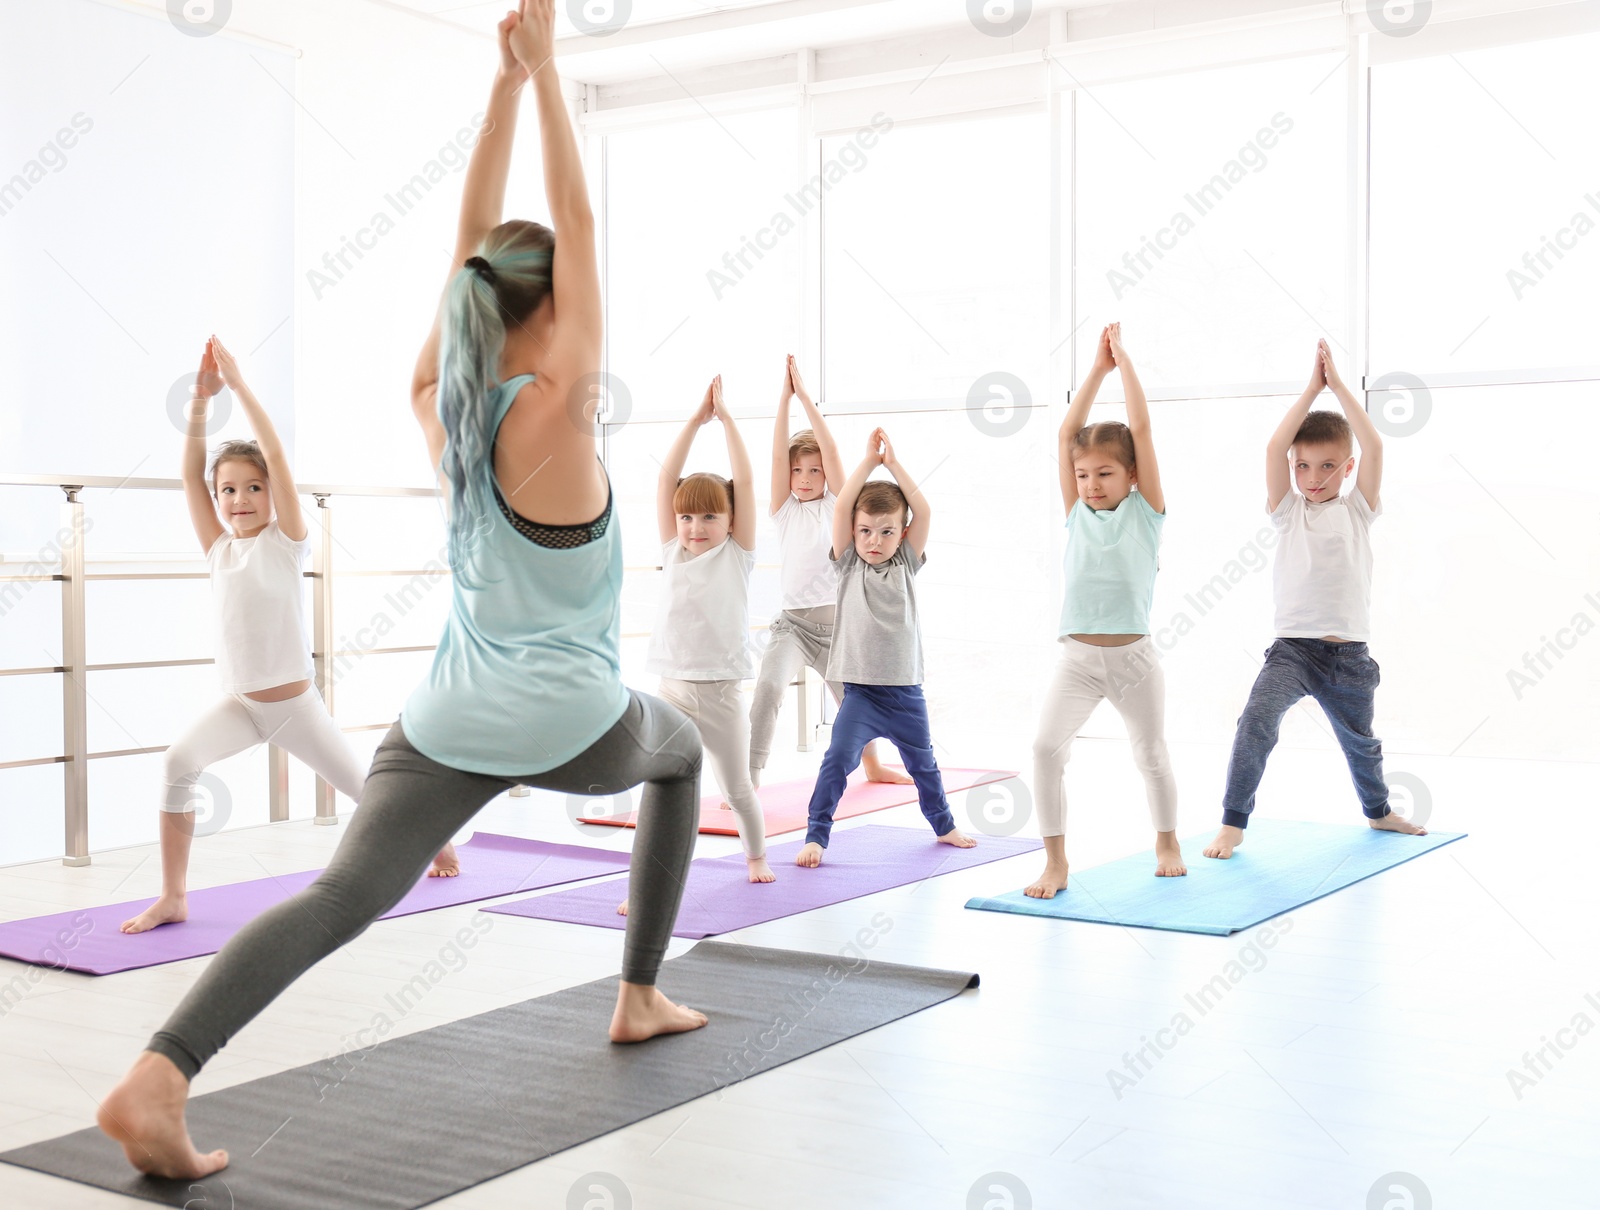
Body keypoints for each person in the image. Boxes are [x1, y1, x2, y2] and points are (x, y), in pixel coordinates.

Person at [98, 2, 705, 1179]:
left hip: (442, 724)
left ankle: (157, 1075)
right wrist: (549, 71)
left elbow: (475, 252)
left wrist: (505, 88)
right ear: (551, 314)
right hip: (577, 723)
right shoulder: (566, 410)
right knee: (678, 753)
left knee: (339, 894)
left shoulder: (445, 411)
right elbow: (570, 218)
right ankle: (637, 991)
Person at [121, 338, 459, 938]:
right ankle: (173, 895)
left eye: (253, 488)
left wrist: (241, 388)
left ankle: (434, 839)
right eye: (228, 490)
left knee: (366, 791)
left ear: (272, 493)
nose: (239, 499)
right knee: (178, 763)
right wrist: (201, 402)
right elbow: (186, 477)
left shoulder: (287, 542)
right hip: (242, 706)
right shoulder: (219, 548)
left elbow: (274, 456)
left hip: (296, 709)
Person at [1205, 339, 1426, 859]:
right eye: (1303, 466)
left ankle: (1378, 813)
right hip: (1293, 650)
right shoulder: (1288, 510)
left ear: (1346, 469)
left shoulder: (1358, 510)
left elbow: (1373, 446)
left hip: (1349, 655)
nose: (1312, 478)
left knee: (1361, 744)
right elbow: (1272, 449)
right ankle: (1233, 822)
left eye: (1326, 467)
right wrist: (1311, 390)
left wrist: (1340, 388)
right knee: (1255, 722)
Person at [1026, 322, 1180, 898]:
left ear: (1132, 475)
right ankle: (1056, 863)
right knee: (1045, 749)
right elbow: (1068, 431)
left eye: (1105, 474)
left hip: (1134, 658)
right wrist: (1095, 371)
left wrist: (1125, 363)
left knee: (1150, 752)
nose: (1090, 484)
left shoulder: (1147, 513)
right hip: (1078, 659)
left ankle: (1167, 843)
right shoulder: (1077, 515)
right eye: (1083, 475)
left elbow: (1140, 428)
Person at [795, 427, 976, 867]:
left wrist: (892, 464)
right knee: (837, 759)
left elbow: (925, 511)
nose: (874, 541)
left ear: (902, 533)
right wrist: (867, 463)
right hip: (860, 694)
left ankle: (944, 825)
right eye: (865, 531)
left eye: (886, 532)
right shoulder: (848, 562)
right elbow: (842, 505)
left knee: (924, 767)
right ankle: (816, 835)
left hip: (904, 694)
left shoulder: (906, 562)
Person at [747, 355, 914, 790]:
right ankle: (750, 776)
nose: (804, 477)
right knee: (767, 689)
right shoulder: (782, 511)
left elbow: (835, 452)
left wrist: (806, 398)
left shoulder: (838, 508)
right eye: (797, 469)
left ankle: (873, 766)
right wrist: (785, 402)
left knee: (854, 702)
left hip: (839, 628)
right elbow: (775, 453)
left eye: (814, 470)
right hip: (793, 627)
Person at [636, 374, 773, 889]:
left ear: (732, 519)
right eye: (687, 516)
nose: (695, 527)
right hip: (673, 690)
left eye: (710, 517)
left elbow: (748, 481)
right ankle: (654, 880)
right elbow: (664, 479)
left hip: (720, 695)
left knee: (737, 788)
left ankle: (756, 858)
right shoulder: (672, 550)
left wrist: (729, 421)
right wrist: (695, 422)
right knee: (664, 787)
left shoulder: (737, 555)